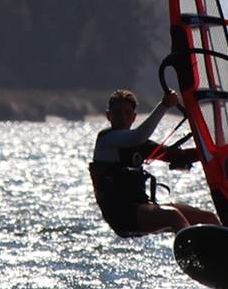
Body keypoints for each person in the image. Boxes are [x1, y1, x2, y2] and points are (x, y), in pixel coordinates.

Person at [89, 88, 218, 237]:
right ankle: (194, 257)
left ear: (134, 117)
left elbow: (177, 157)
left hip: (142, 208)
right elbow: (138, 136)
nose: (122, 118)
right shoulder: (106, 140)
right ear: (108, 116)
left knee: (208, 218)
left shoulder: (140, 144)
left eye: (127, 113)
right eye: (117, 113)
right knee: (173, 216)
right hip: (121, 214)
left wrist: (213, 151)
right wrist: (164, 105)